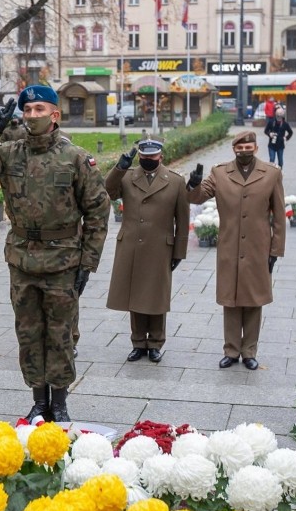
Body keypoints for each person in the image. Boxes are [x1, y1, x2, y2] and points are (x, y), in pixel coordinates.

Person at [0, 85, 110, 422]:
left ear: (55, 115)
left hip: (63, 260)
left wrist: (88, 261)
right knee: (28, 333)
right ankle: (39, 401)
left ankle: (61, 402)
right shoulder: (9, 153)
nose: (32, 115)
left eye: (40, 109)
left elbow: (98, 210)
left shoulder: (75, 158)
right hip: (22, 259)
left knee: (61, 335)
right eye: (27, 110)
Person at [185, 131, 286, 371]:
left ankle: (249, 351)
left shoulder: (272, 174)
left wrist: (275, 250)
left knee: (254, 300)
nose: (244, 152)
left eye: (249, 148)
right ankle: (231, 351)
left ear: (256, 148)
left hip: (258, 247)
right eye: (240, 149)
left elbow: (279, 216)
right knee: (230, 299)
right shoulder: (220, 173)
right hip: (229, 246)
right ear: (234, 150)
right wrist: (193, 183)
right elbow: (197, 198)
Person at [105, 139, 189, 364]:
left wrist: (179, 251)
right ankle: (138, 342)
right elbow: (109, 191)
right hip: (131, 244)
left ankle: (155, 343)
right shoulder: (128, 176)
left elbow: (182, 219)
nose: (148, 160)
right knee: (135, 296)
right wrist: (119, 167)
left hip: (160, 246)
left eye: (152, 157)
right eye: (144, 156)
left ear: (160, 156)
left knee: (156, 297)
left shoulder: (175, 181)